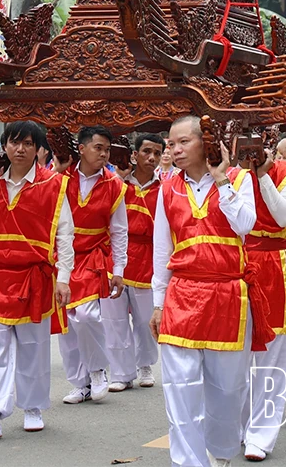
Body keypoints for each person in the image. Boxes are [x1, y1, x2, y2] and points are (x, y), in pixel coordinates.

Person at [149, 115, 266, 467]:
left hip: (227, 294)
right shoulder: (167, 186)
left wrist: (221, 180)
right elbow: (160, 249)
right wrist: (158, 303)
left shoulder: (239, 179)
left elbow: (245, 224)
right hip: (181, 294)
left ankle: (222, 451)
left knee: (228, 390)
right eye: (171, 144)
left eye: (183, 142)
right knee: (179, 388)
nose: (175, 150)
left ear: (206, 143)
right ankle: (188, 462)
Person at [0, 121, 74, 442]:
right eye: (14, 142)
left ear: (39, 149)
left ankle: (33, 407)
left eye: (27, 143)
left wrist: (63, 278)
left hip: (34, 276)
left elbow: (65, 234)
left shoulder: (54, 185)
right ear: (5, 146)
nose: (20, 149)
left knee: (33, 347)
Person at [55, 125, 128, 405]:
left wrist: (118, 270)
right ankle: (79, 382)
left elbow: (120, 231)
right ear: (82, 148)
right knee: (66, 322)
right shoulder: (60, 179)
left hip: (92, 256)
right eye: (98, 148)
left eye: (107, 149)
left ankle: (98, 371)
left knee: (86, 315)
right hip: (62, 255)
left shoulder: (114, 185)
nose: (104, 154)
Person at [239, 144, 286, 462]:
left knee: (271, 356)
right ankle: (239, 425)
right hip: (233, 264)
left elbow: (285, 215)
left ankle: (261, 433)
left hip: (273, 264)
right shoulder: (225, 174)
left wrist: (263, 176)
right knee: (235, 354)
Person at [103, 132, 164, 391]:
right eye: (147, 151)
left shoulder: (165, 187)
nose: (152, 157)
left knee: (144, 319)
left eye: (157, 153)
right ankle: (120, 372)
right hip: (115, 258)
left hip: (148, 260)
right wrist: (119, 176)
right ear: (134, 154)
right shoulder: (116, 184)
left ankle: (145, 365)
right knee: (114, 320)